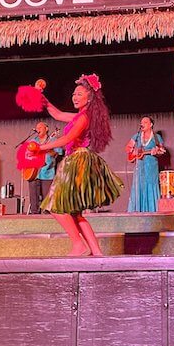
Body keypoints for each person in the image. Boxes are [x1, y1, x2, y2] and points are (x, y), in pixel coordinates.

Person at [32, 74, 122, 256]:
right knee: (75, 213)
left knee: (55, 206)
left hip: (77, 162)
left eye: (79, 93)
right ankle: (96, 252)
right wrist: (42, 98)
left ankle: (78, 245)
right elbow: (56, 113)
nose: (75, 97)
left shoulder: (84, 118)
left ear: (90, 97)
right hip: (79, 160)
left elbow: (67, 138)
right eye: (74, 94)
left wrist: (41, 148)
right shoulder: (80, 116)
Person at [126, 116, 165, 212]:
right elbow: (127, 148)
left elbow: (162, 151)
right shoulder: (137, 136)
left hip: (151, 168)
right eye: (141, 122)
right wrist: (133, 151)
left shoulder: (157, 138)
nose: (142, 124)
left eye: (145, 122)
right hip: (140, 167)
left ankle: (152, 212)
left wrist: (156, 151)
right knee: (138, 186)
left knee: (151, 186)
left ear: (151, 124)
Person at [28, 121, 60, 214]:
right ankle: (34, 213)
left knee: (47, 198)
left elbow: (57, 154)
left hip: (47, 171)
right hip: (34, 172)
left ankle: (47, 216)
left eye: (40, 127)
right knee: (34, 196)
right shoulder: (33, 141)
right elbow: (27, 154)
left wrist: (48, 150)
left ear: (46, 129)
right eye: (36, 128)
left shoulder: (53, 140)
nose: (38, 129)